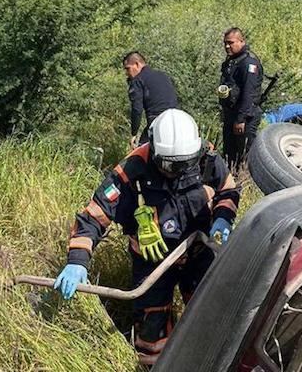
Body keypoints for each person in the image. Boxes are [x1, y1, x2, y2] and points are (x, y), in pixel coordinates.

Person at [54, 109, 240, 366]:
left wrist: (222, 218)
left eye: (184, 163)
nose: (178, 171)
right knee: (152, 334)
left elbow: (228, 192)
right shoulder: (132, 172)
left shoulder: (204, 158)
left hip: (199, 254)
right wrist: (77, 260)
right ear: (154, 150)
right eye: (170, 165)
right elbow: (93, 217)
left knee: (213, 315)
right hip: (152, 265)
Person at [218, 28, 263, 169]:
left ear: (241, 41)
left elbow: (248, 94)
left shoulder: (248, 63)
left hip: (245, 117)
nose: (227, 46)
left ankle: (246, 182)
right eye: (225, 43)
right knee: (229, 154)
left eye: (230, 43)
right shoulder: (233, 62)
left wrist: (240, 119)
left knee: (244, 155)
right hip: (231, 113)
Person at [123, 52, 179, 145]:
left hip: (157, 122)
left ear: (137, 64)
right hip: (176, 119)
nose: (127, 73)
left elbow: (137, 109)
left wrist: (134, 133)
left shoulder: (137, 81)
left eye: (128, 68)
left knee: (141, 152)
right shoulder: (162, 75)